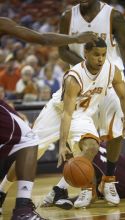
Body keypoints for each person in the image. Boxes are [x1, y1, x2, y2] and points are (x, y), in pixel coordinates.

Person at [0, 38, 125, 213]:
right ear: (85, 54)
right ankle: (2, 192)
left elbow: (123, 96)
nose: (100, 59)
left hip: (83, 115)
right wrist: (62, 144)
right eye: (96, 55)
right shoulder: (74, 77)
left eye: (103, 55)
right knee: (29, 154)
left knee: (91, 147)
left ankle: (72, 189)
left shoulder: (111, 70)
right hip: (56, 113)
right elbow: (67, 113)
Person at [40, 0, 125, 209]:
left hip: (109, 81)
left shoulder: (113, 16)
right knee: (79, 141)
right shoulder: (67, 17)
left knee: (116, 130)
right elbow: (62, 52)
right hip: (80, 84)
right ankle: (82, 188)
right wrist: (87, 68)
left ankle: (109, 181)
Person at [0, 16, 97, 219]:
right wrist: (77, 38)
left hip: (80, 113)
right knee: (28, 139)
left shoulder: (109, 72)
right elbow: (41, 38)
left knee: (25, 136)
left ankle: (58, 190)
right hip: (57, 109)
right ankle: (23, 210)